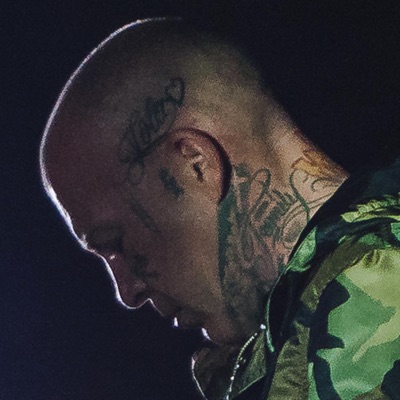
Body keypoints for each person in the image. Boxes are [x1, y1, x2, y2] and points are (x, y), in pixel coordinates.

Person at [40, 18, 400, 399]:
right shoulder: (309, 326)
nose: (128, 292)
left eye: (117, 242)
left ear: (193, 165)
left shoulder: (374, 285)